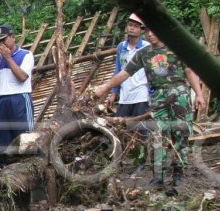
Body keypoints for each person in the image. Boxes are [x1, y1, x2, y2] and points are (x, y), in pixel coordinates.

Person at [87, 20, 203, 190]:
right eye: (147, 31)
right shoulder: (144, 54)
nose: (150, 34)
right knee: (157, 135)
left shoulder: (176, 49)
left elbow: (189, 71)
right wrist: (105, 87)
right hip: (157, 97)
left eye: (153, 31)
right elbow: (124, 73)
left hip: (180, 95)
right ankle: (158, 177)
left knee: (181, 134)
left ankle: (179, 174)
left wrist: (199, 94)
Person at [0, 24, 34, 167]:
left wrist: (8, 58)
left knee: (24, 139)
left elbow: (22, 77)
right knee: (5, 145)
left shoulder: (26, 55)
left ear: (13, 38)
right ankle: (7, 178)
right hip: (2, 101)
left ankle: (29, 171)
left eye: (4, 39)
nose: (1, 44)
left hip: (20, 99)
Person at [111, 14, 151, 120]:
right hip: (125, 96)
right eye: (130, 25)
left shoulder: (147, 47)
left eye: (136, 26)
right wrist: (114, 93)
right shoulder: (121, 47)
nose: (132, 28)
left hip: (141, 95)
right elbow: (118, 70)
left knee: (141, 129)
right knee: (120, 128)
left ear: (141, 30)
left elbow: (151, 72)